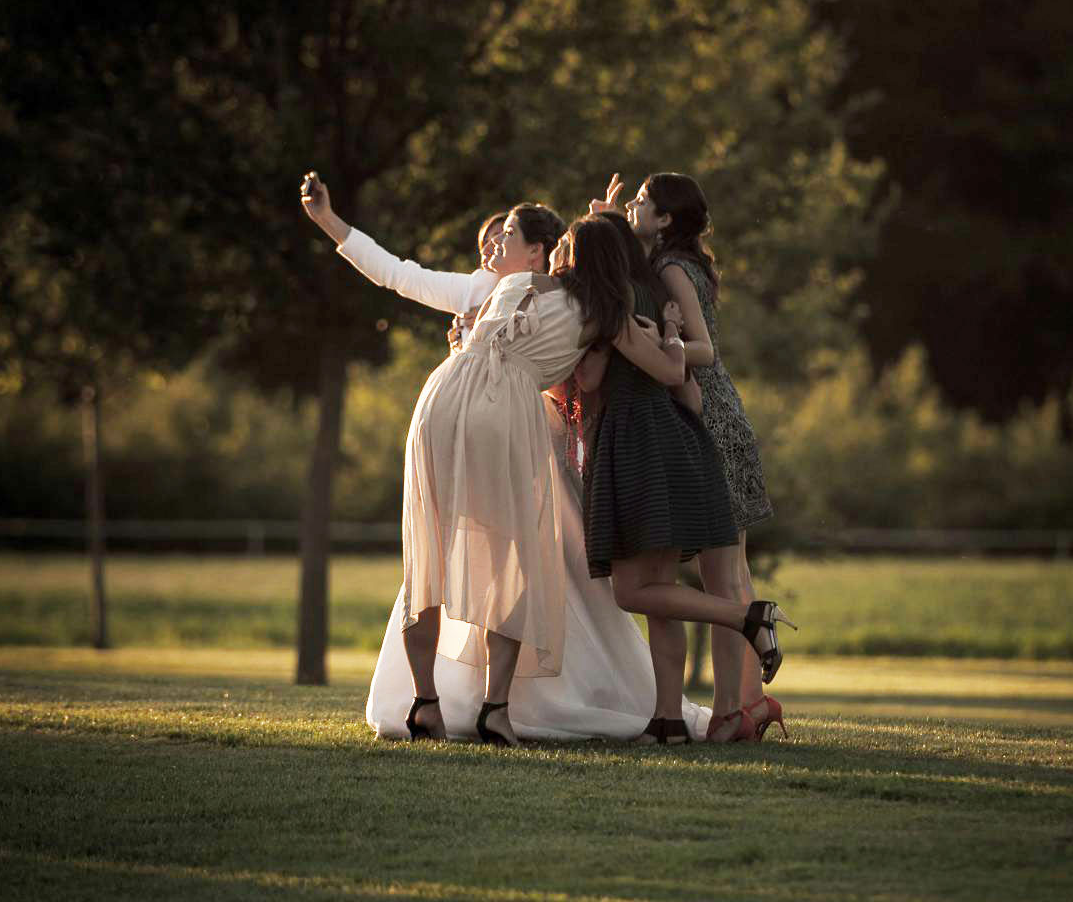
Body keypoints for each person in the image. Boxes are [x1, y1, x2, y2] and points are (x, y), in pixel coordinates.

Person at [300, 173, 705, 744]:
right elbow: (664, 371)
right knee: (512, 558)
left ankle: (425, 703)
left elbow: (416, 287)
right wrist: (666, 328)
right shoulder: (603, 314)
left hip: (444, 393)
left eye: (508, 234)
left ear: (550, 251)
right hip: (504, 409)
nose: (493, 246)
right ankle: (495, 708)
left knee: (428, 549)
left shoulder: (509, 287)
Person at [573, 211, 795, 746]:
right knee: (658, 595)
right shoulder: (649, 297)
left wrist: (589, 345)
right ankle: (667, 721)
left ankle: (747, 615)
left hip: (637, 444)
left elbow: (613, 377)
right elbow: (682, 378)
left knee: (632, 592)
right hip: (670, 438)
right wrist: (671, 330)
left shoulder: (615, 311)